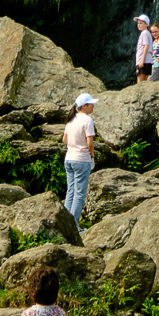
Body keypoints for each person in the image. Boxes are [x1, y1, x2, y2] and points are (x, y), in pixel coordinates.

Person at [62, 92, 96, 225]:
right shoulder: (88, 120)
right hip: (81, 160)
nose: (93, 106)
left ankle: (65, 225)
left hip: (69, 158)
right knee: (80, 194)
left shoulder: (71, 119)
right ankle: (74, 227)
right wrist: (92, 155)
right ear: (84, 106)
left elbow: (65, 139)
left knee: (70, 191)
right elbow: (90, 143)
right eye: (91, 104)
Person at [134, 13, 153, 81]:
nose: (139, 25)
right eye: (138, 23)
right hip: (148, 60)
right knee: (144, 83)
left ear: (146, 24)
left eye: (141, 23)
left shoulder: (144, 33)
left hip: (143, 61)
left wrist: (142, 60)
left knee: (140, 83)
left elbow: (146, 46)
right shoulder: (148, 33)